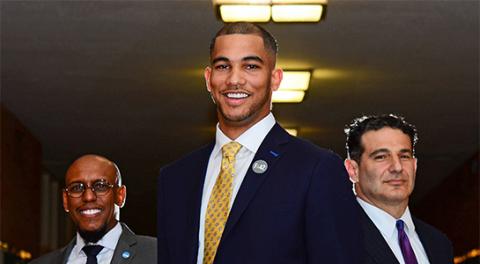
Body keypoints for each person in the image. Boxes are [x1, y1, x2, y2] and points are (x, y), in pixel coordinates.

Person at [157, 22, 361, 264]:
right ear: (208, 78)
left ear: (275, 79)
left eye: (250, 66)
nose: (234, 79)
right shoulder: (175, 178)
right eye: (223, 66)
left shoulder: (316, 168)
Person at [344, 114, 453, 264]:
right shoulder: (334, 238)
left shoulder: (439, 243)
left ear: (414, 166)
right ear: (353, 170)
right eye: (381, 157)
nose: (397, 167)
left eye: (404, 156)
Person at [31, 154, 156, 264]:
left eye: (100, 186)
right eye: (77, 188)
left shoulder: (158, 254)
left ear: (120, 195)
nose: (88, 197)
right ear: (65, 200)